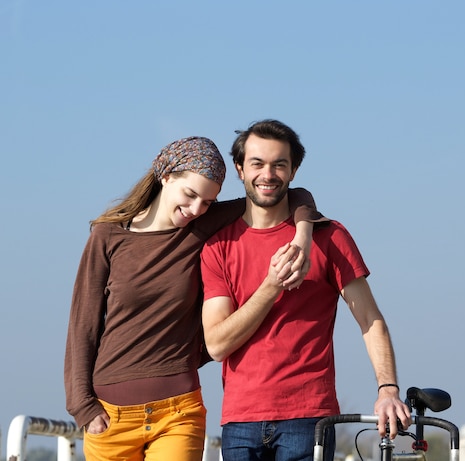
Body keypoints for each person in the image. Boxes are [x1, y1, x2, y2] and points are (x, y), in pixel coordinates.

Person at [64, 136, 324, 461]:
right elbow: (82, 327)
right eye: (190, 195)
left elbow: (295, 195)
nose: (195, 209)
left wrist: (302, 237)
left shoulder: (200, 227)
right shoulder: (108, 236)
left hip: (178, 412)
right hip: (109, 416)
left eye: (207, 202)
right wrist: (82, 406)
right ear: (166, 175)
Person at [200, 120, 412, 461]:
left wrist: (388, 390)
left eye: (279, 164)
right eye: (257, 163)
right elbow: (217, 344)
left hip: (310, 417)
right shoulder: (218, 247)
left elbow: (370, 320)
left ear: (293, 171)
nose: (267, 174)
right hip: (240, 422)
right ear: (240, 169)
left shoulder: (329, 237)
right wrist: (271, 286)